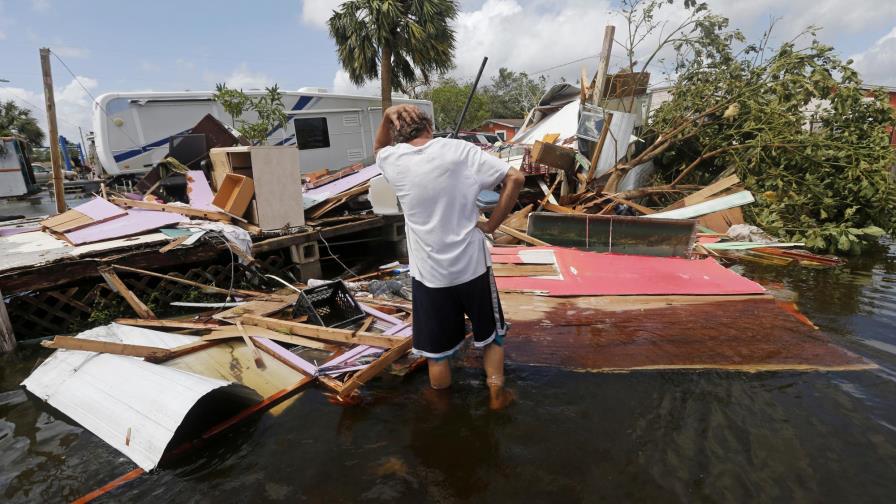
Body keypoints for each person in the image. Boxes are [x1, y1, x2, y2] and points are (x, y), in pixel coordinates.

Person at [374, 104, 524, 409]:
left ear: (399, 134)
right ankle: (496, 393)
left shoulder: (393, 160)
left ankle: (443, 412)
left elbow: (378, 147)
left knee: (437, 353)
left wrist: (387, 114)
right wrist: (493, 224)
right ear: (430, 127)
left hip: (430, 275)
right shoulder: (459, 150)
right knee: (492, 336)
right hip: (472, 267)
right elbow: (516, 178)